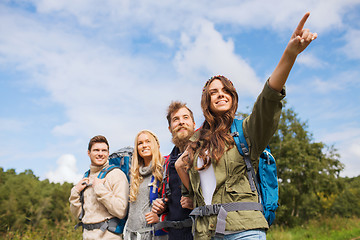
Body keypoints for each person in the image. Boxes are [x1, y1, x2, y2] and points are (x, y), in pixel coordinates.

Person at [175, 12, 317, 240]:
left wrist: (290, 54)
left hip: (244, 230)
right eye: (213, 92)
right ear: (207, 102)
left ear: (232, 96)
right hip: (205, 233)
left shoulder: (247, 131)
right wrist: (181, 168)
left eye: (225, 91)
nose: (220, 95)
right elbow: (193, 194)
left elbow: (268, 100)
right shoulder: (196, 141)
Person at [69, 135, 129, 240]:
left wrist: (100, 189)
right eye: (96, 150)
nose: (100, 154)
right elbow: (79, 215)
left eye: (104, 150)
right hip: (87, 236)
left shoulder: (116, 174)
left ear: (108, 153)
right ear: (89, 153)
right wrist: (75, 192)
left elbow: (121, 211)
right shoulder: (86, 177)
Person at [151, 101, 196, 240]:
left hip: (202, 234)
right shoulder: (167, 163)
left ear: (194, 124)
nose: (181, 122)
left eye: (185, 117)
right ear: (170, 128)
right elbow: (170, 199)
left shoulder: (205, 154)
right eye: (176, 119)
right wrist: (161, 206)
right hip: (174, 235)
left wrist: (196, 202)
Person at [124, 130, 168, 240]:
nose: (144, 145)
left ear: (157, 145)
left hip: (154, 234)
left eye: (148, 141)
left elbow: (174, 202)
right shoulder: (134, 174)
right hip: (132, 234)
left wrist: (161, 218)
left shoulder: (164, 169)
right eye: (140, 143)